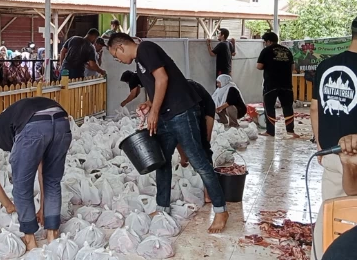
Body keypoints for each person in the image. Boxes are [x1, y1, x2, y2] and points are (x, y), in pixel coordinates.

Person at [107, 32, 228, 233]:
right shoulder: (139, 63)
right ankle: (162, 207)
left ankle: (221, 210)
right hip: (166, 115)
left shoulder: (146, 49)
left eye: (115, 55)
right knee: (162, 162)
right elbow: (158, 89)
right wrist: (149, 104)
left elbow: (162, 78)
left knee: (199, 161)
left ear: (120, 47)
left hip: (181, 111)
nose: (117, 60)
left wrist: (154, 112)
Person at [0, 97, 72, 250]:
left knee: (22, 184)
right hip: (61, 119)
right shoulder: (10, 119)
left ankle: (30, 239)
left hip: (33, 124)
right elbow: (43, 172)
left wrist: (9, 205)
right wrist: (43, 208)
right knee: (52, 180)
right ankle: (52, 233)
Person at [310, 17, 357, 260]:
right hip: (354, 157)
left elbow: (315, 108)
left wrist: (320, 143)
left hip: (332, 153)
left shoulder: (326, 66)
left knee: (331, 213)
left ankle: (322, 255)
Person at [257, 32, 296, 137]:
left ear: (269, 41)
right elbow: (292, 68)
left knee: (269, 107)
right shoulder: (287, 51)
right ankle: (290, 131)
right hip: (286, 84)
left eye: (265, 42)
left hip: (271, 84)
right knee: (287, 106)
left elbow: (259, 66)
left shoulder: (266, 50)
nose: (265, 44)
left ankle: (270, 132)